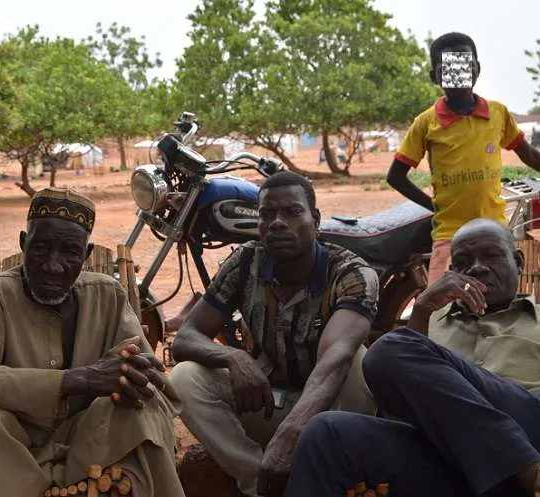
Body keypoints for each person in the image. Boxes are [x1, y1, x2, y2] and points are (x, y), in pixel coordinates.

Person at [0, 187, 184, 497]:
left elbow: (160, 390)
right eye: (41, 248)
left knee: (139, 409)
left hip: (90, 444)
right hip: (10, 449)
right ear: (24, 244)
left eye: (70, 252)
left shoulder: (107, 295)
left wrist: (136, 377)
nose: (53, 265)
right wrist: (73, 380)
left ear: (86, 254)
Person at [284, 218, 540, 497]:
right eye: (464, 262)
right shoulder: (431, 322)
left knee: (390, 347)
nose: (477, 267)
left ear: (518, 261)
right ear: (452, 272)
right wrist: (420, 311)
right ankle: (514, 476)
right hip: (453, 461)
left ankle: (527, 470)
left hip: (529, 431)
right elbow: (397, 406)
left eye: (491, 255)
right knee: (326, 431)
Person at [169, 171, 380, 497]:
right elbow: (186, 338)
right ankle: (261, 483)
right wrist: (233, 356)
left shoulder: (351, 273)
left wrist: (293, 432)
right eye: (267, 214)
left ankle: (330, 473)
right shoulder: (244, 263)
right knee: (184, 378)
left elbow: (336, 357)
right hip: (269, 403)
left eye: (293, 212)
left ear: (316, 219)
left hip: (330, 412)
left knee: (356, 362)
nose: (277, 223)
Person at [387, 32, 540, 285]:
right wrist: (433, 205)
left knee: (506, 299)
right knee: (442, 307)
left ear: (476, 68)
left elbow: (530, 154)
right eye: (447, 67)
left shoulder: (498, 114)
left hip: (495, 230)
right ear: (434, 76)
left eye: (464, 64)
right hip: (450, 234)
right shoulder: (426, 123)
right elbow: (395, 176)